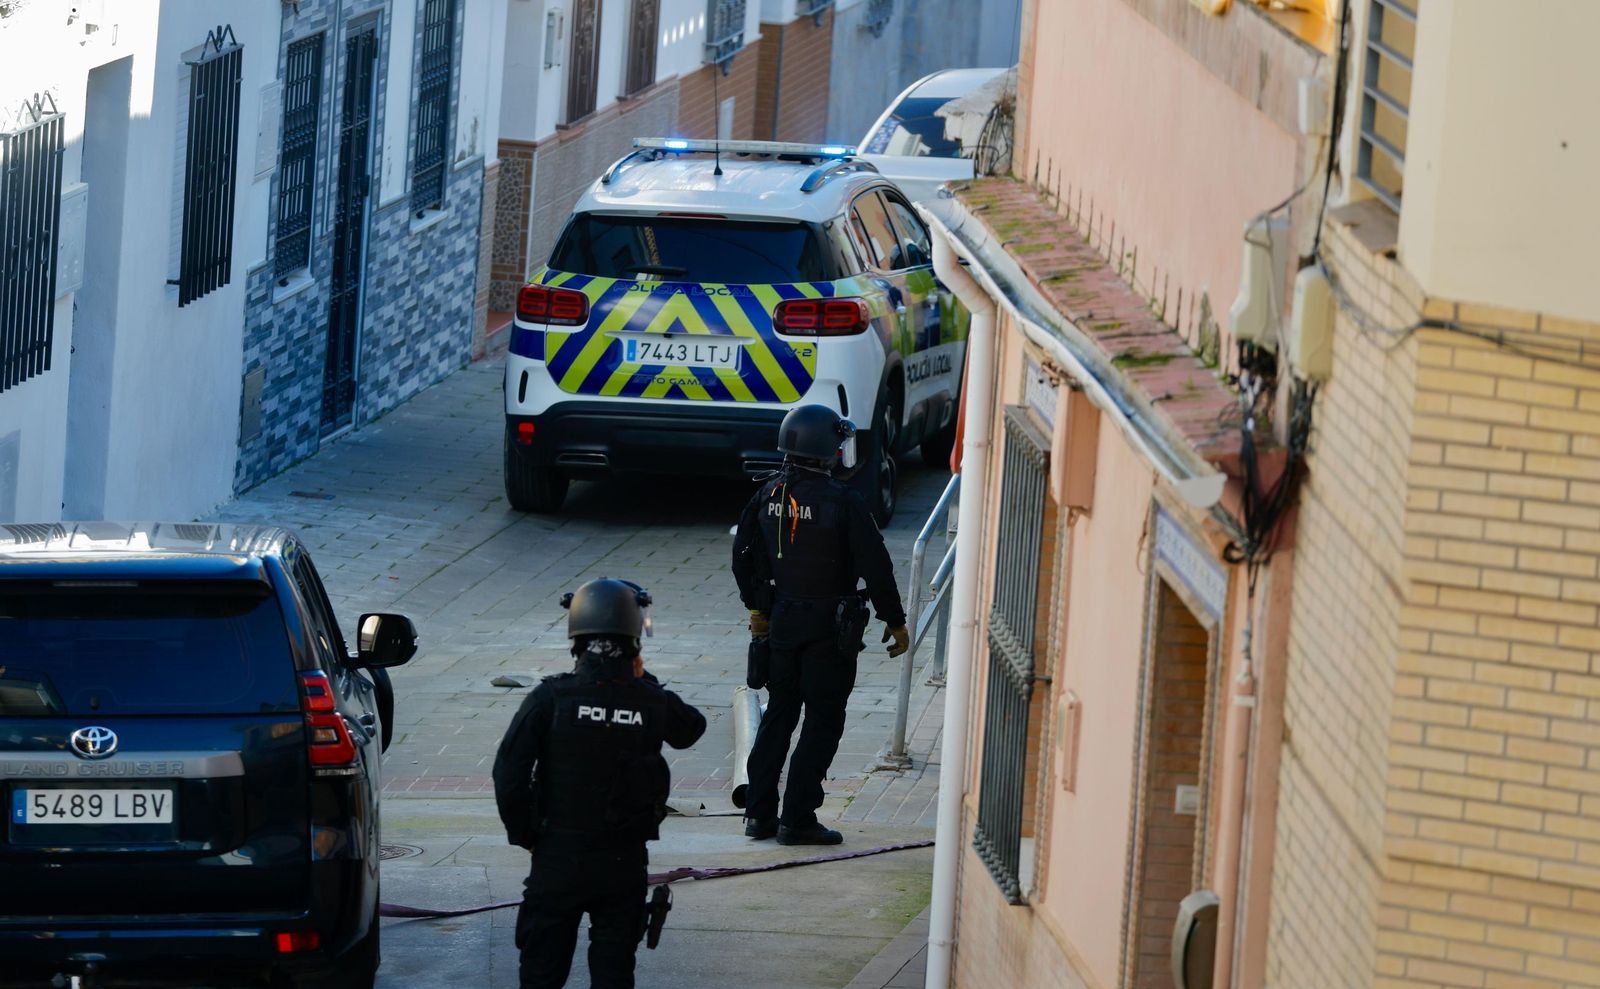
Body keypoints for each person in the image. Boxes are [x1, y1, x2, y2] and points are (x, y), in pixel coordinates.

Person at [493, 578, 706, 989]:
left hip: (557, 857)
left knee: (541, 973)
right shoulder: (650, 699)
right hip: (621, 863)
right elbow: (690, 728)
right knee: (613, 973)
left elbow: (508, 774)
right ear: (633, 637)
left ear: (576, 636)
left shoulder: (550, 698)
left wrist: (527, 836)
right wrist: (642, 680)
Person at [732, 404, 909, 846]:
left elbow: (743, 558)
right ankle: (797, 818)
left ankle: (759, 815)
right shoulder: (844, 501)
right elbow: (877, 565)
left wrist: (759, 609)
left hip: (782, 624)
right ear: (825, 450)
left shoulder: (767, 493)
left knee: (779, 714)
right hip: (831, 629)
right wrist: (895, 619)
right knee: (823, 720)